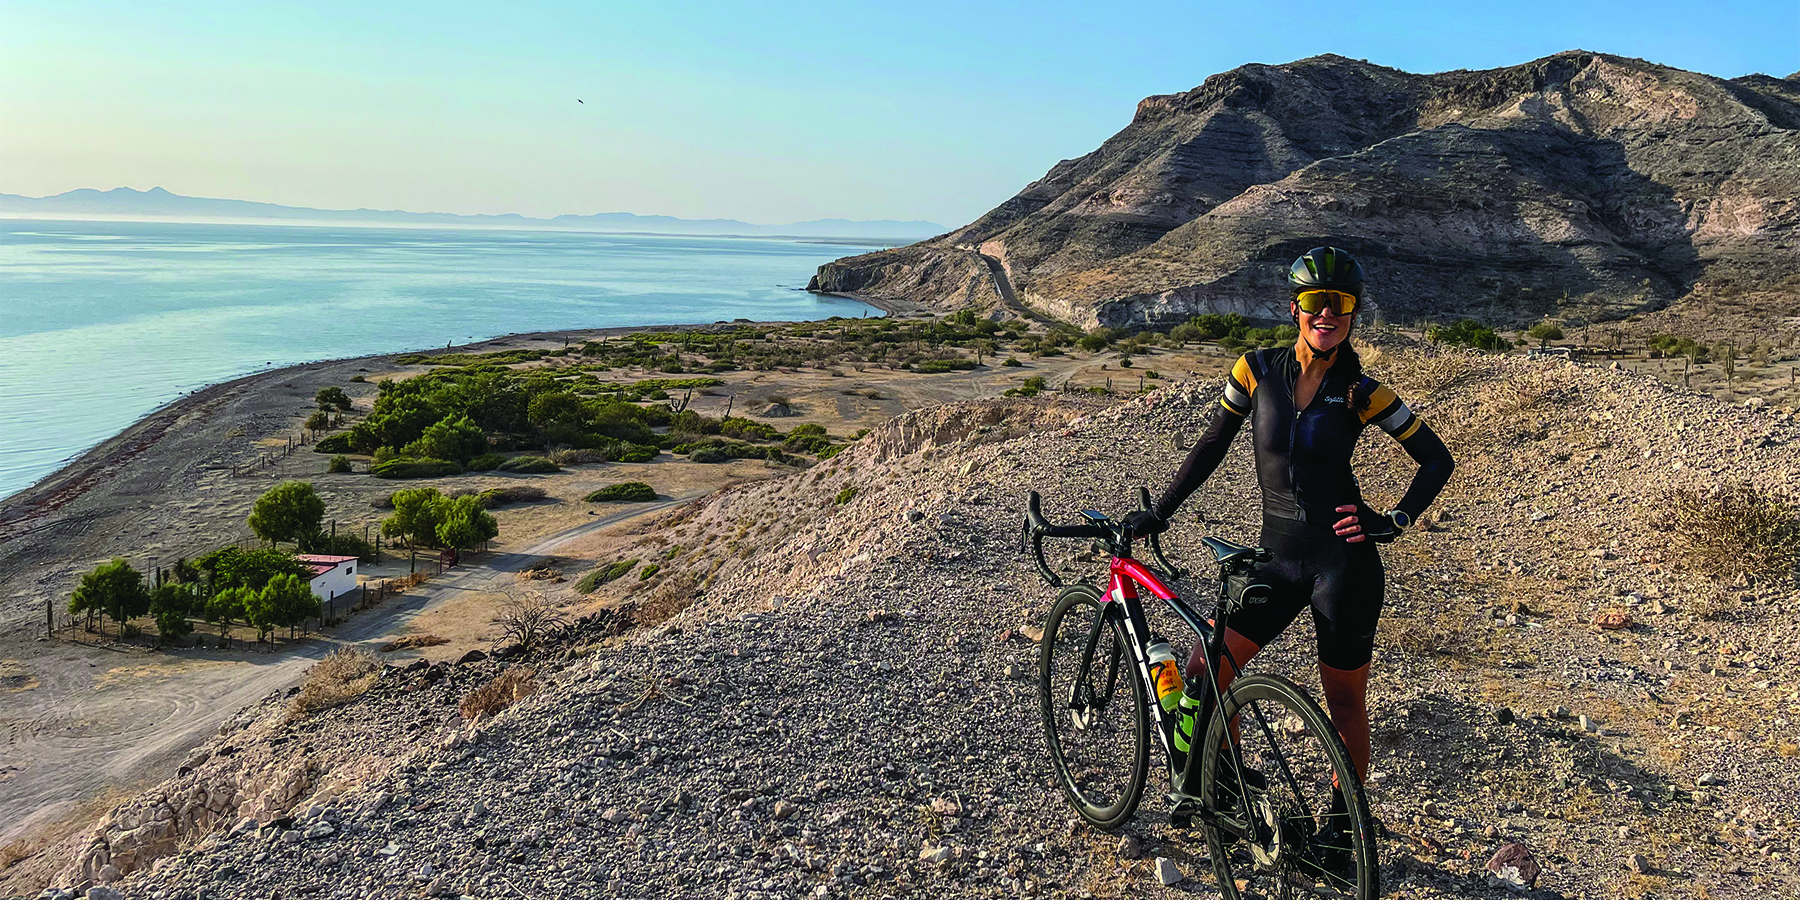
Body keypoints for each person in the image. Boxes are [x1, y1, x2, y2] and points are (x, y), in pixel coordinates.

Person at [1125, 245, 1454, 815]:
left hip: (1341, 563)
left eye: (1341, 305)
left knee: (1345, 704)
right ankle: (1221, 782)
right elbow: (1212, 444)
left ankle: (1340, 825)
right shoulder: (1253, 371)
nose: (1327, 315)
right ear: (1295, 308)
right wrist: (1164, 509)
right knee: (1207, 668)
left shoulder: (1364, 392)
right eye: (1315, 302)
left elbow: (1436, 459)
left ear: (1353, 315)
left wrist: (1393, 519)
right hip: (1276, 557)